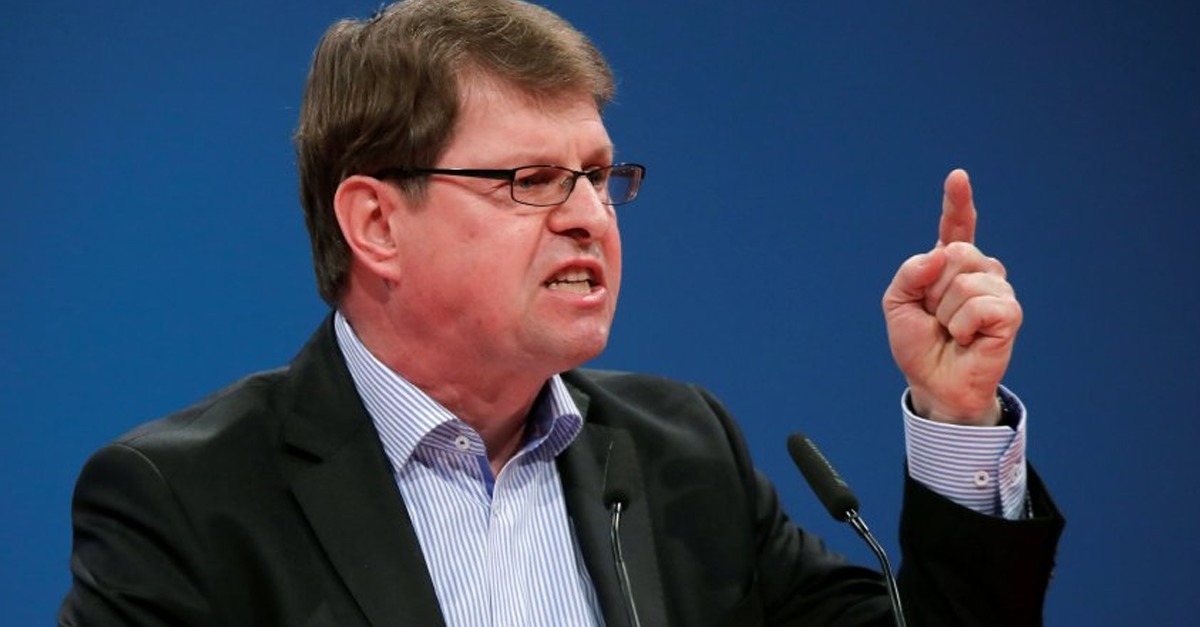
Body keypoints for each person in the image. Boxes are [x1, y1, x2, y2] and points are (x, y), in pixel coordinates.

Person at [59, 1, 1064, 625]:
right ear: (376, 223)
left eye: (598, 175)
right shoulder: (188, 502)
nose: (590, 216)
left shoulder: (682, 456)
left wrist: (958, 418)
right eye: (531, 180)